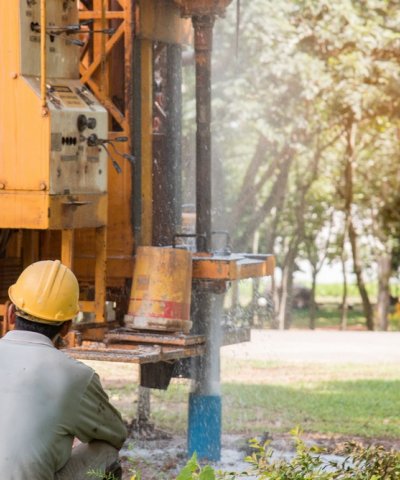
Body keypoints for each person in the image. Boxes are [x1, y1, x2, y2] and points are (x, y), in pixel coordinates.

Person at [0, 259, 127, 480]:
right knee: (106, 451)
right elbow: (116, 434)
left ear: (11, 313)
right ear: (67, 326)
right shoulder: (76, 376)